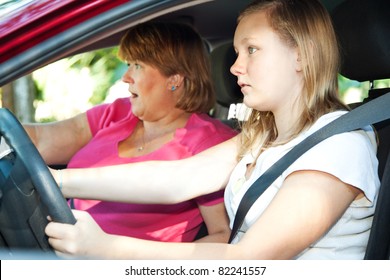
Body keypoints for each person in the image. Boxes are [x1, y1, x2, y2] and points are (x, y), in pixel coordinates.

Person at [45, 0, 380, 259]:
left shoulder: (339, 145)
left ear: (301, 56)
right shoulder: (262, 136)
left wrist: (108, 250)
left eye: (251, 49)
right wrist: (58, 181)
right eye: (236, 52)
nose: (235, 67)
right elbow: (177, 179)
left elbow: (250, 260)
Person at [24, 21, 237, 243]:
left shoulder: (212, 144)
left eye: (137, 65)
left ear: (174, 79)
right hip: (53, 240)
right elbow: (40, 141)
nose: (125, 76)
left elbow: (223, 235)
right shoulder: (118, 112)